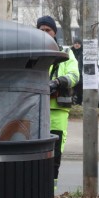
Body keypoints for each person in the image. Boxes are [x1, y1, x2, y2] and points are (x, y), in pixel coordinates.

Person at [37, 16, 79, 189]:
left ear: (55, 32)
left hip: (57, 110)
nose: (44, 33)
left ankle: (50, 189)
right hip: (36, 108)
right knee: (35, 150)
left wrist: (58, 82)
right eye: (41, 29)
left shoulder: (66, 52)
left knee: (55, 151)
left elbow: (74, 76)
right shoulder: (33, 50)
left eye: (48, 30)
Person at [71, 38, 84, 105]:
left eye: (78, 43)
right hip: (71, 73)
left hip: (80, 74)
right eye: (75, 43)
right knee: (72, 90)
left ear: (81, 45)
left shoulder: (83, 52)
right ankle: (72, 103)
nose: (77, 45)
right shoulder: (70, 51)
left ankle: (79, 103)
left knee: (79, 91)